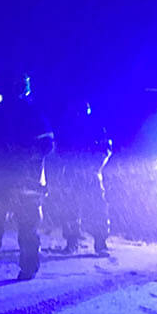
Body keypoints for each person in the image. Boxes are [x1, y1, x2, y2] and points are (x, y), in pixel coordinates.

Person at [0, 73, 55, 280]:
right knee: (4, 226)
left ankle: (18, 268)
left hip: (24, 181)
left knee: (20, 227)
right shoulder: (5, 114)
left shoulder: (31, 114)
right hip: (9, 180)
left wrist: (21, 156)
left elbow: (46, 145)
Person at [53, 99, 112, 256]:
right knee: (71, 209)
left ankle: (100, 242)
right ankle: (72, 242)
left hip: (90, 175)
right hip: (74, 174)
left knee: (97, 209)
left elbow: (105, 150)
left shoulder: (96, 126)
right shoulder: (69, 127)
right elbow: (59, 150)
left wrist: (93, 167)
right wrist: (72, 165)